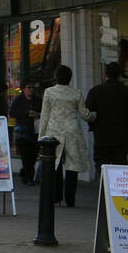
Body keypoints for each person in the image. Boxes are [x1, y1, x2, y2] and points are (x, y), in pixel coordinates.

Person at [37, 65, 94, 208]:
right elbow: (84, 115)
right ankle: (70, 199)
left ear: (56, 77)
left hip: (54, 131)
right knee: (72, 166)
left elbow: (45, 116)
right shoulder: (76, 93)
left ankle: (56, 197)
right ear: (70, 78)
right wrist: (94, 115)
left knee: (54, 163)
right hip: (71, 131)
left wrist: (41, 136)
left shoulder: (49, 92)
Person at [85, 62, 128, 174]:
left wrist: (93, 126)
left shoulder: (95, 91)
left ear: (105, 74)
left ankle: (102, 184)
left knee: (101, 166)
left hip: (101, 136)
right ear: (119, 74)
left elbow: (88, 113)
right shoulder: (127, 92)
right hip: (121, 136)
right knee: (120, 168)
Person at [11, 83, 38, 184]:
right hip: (22, 132)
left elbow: (43, 111)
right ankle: (28, 178)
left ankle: (25, 173)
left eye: (32, 87)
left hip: (34, 131)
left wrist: (37, 114)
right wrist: (26, 113)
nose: (31, 89)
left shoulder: (37, 100)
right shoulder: (18, 100)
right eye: (29, 87)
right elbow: (12, 112)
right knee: (25, 156)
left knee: (33, 156)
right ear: (23, 89)